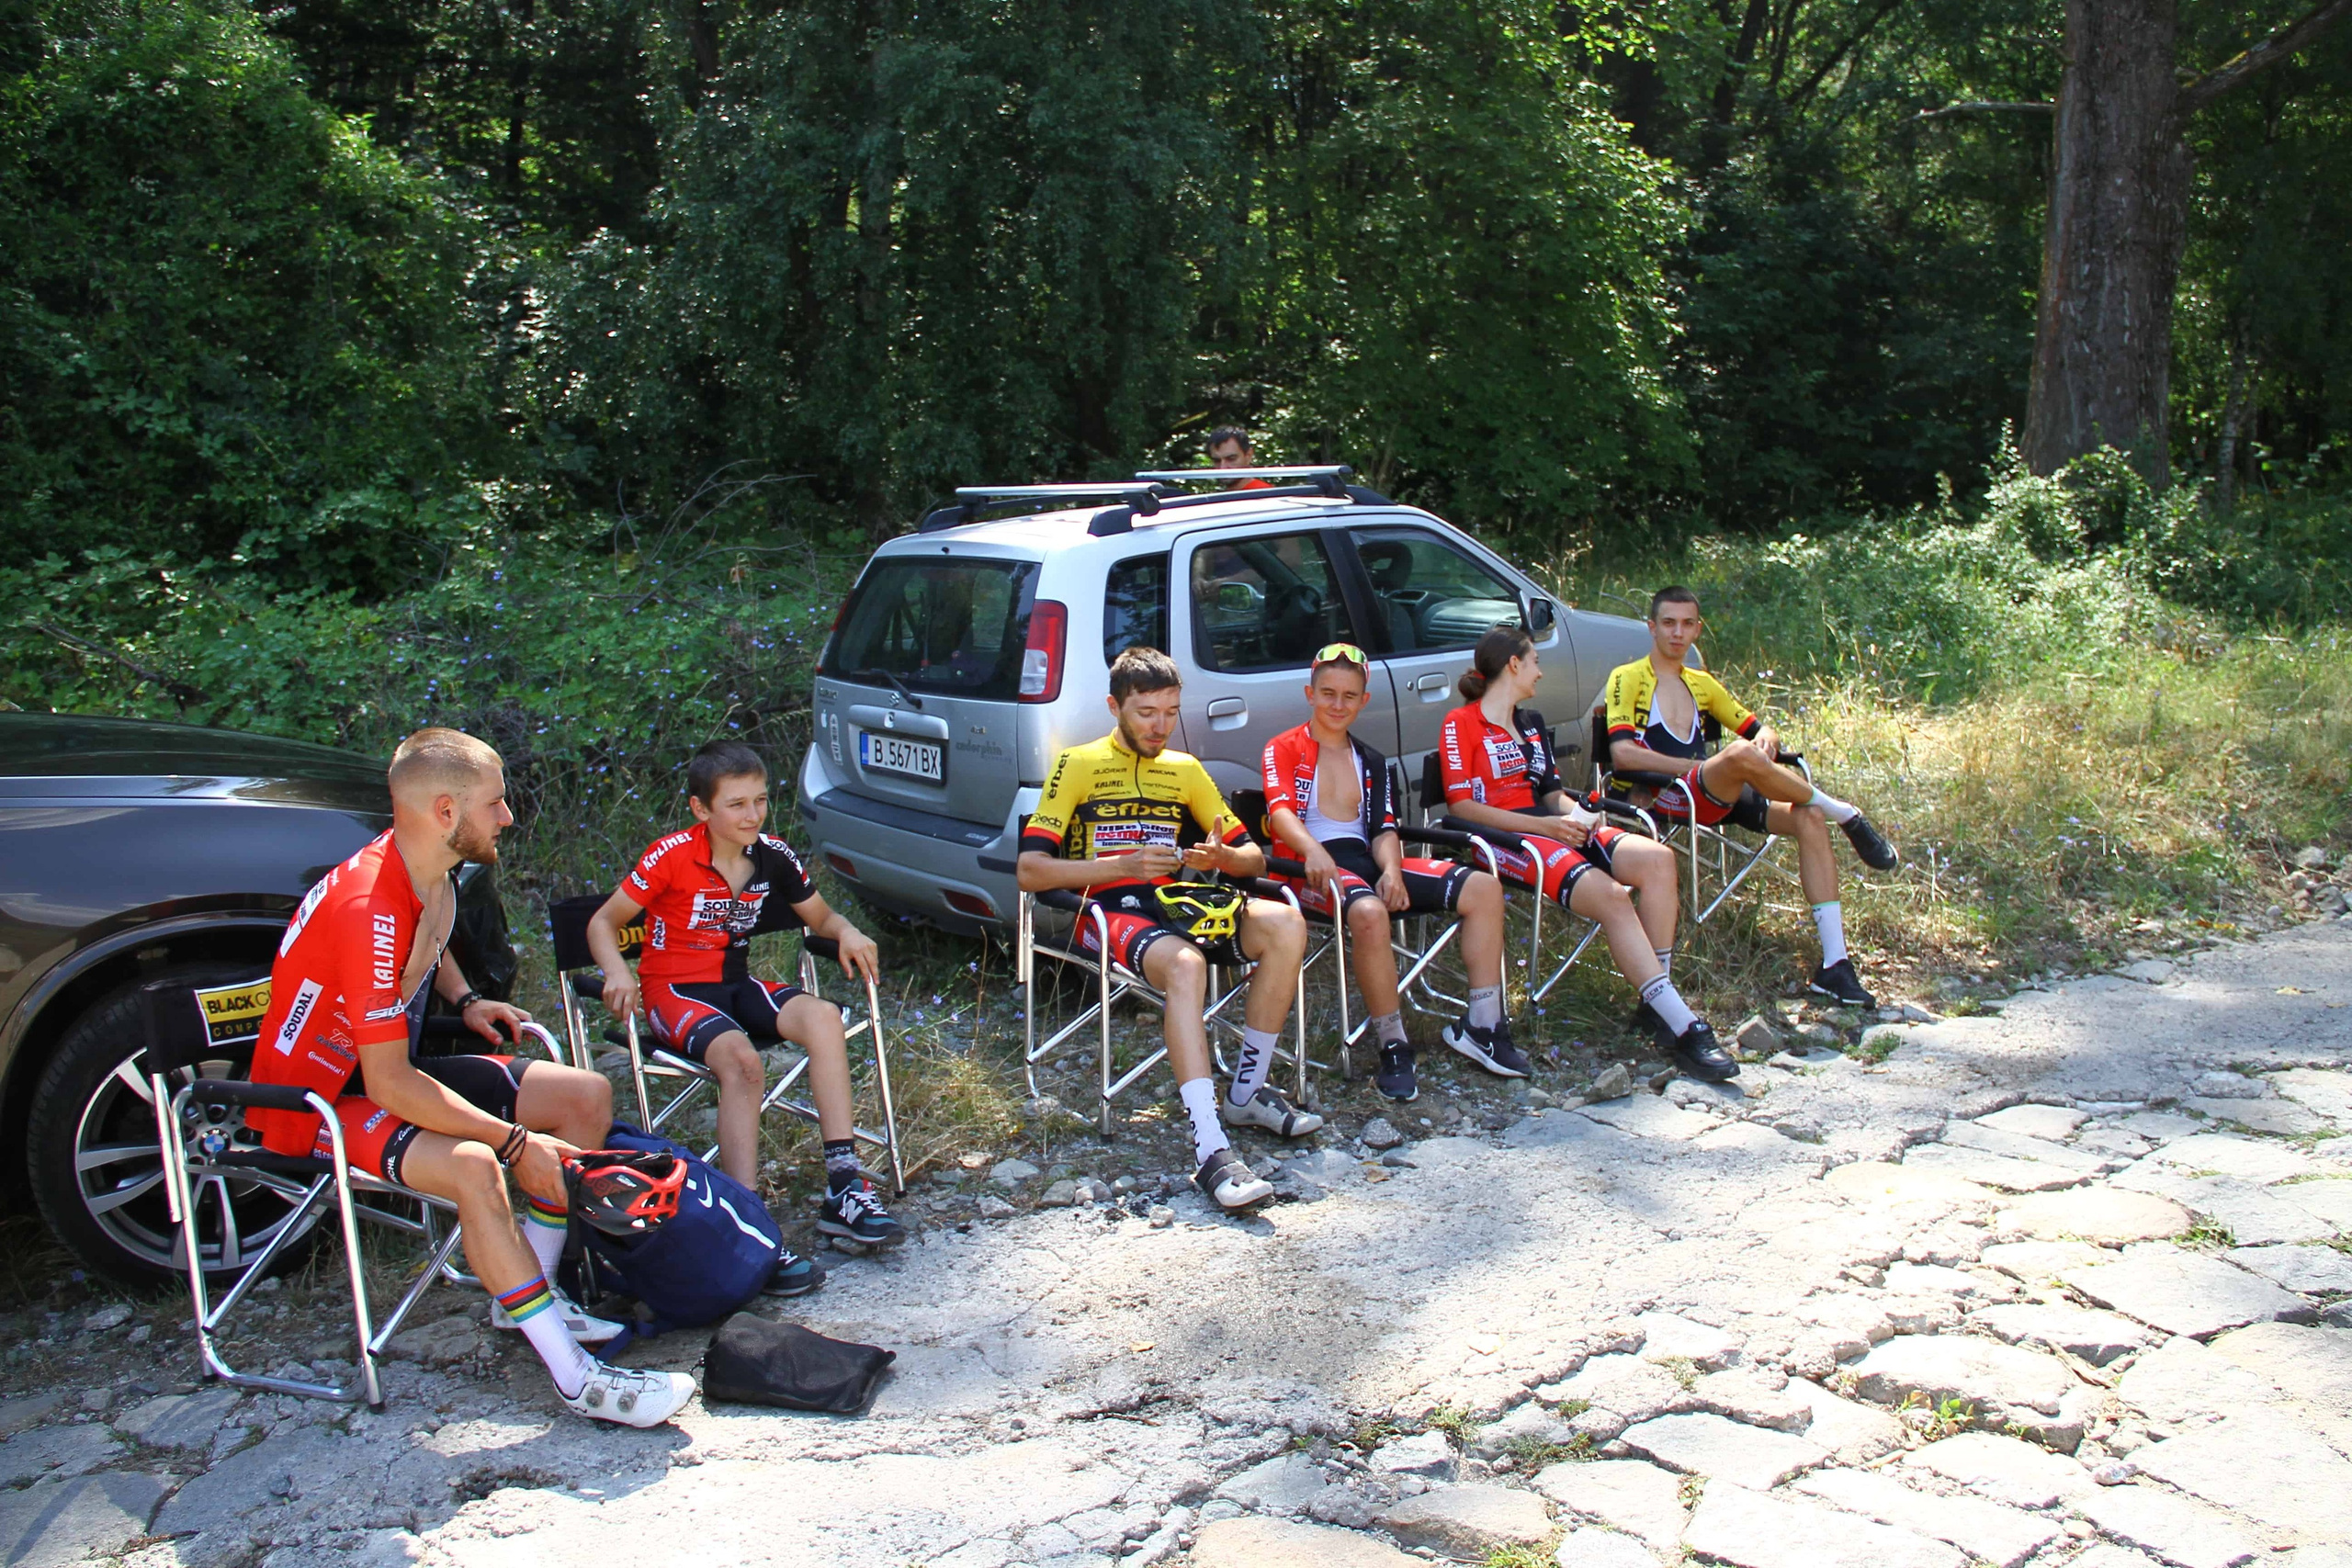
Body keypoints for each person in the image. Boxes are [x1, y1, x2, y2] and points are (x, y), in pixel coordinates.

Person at [248, 728, 696, 1427]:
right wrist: (517, 1143)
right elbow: (392, 1083)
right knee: (474, 1165)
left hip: (379, 1065)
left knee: (585, 1095)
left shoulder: (426, 862)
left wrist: (463, 1000)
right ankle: (577, 1378)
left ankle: (529, 1297)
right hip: (320, 1101)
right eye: (497, 803)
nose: (510, 816)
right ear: (447, 812)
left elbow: (428, 937)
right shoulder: (367, 907)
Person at [1017, 646, 1316, 1210]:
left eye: (1170, 712)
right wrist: (1119, 867)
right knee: (1186, 963)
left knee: (1284, 922)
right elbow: (1030, 870)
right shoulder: (1077, 764)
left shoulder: (1184, 770)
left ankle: (1246, 1093)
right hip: (1104, 912)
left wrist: (1218, 859)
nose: (1160, 726)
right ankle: (1211, 1150)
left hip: (1177, 903)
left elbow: (1253, 858)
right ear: (1114, 706)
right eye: (1145, 712)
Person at [587, 740, 901, 1252]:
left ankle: (845, 1186)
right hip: (673, 992)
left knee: (823, 1017)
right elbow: (604, 922)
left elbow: (820, 917)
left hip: (735, 984)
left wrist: (845, 931)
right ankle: (746, 1219)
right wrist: (616, 971)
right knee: (742, 1060)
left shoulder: (773, 855)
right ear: (701, 808)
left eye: (760, 800)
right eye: (736, 804)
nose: (752, 814)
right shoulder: (671, 855)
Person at [1440, 626, 1739, 1082]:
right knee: (1612, 896)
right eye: (1535, 661)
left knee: (1658, 860)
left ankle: (1655, 1004)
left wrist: (1580, 814)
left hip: (1553, 827)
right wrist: (1544, 826)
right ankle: (1684, 1026)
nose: (1541, 671)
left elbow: (1552, 794)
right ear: (1513, 665)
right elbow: (1462, 806)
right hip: (1503, 839)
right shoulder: (1460, 724)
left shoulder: (1531, 723)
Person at [1603, 587, 1898, 1008]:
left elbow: (1760, 729)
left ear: (1698, 629)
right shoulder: (1628, 677)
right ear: (1652, 627)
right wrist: (1709, 767)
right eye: (1668, 623)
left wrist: (1765, 741)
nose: (1677, 633)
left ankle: (1835, 966)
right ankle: (1844, 812)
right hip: (1666, 798)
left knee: (1806, 817)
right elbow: (1623, 755)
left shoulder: (1701, 683)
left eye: (1687, 624)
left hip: (1718, 792)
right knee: (1739, 757)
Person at [1260, 642, 1511, 1103]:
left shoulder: (1371, 760)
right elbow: (1280, 815)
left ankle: (1484, 1023)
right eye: (1329, 693)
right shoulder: (1284, 748)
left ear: (1364, 700)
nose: (1338, 704)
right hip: (1306, 868)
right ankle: (1394, 1044)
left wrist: (1393, 870)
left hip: (1364, 859)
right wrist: (1313, 851)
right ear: (1310, 694)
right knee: (1371, 913)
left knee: (1482, 887)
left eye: (1349, 696)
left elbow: (1384, 829)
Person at [1206, 425, 1272, 491]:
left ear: (1248, 455)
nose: (1222, 467)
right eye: (1217, 461)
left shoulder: (1264, 494)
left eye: (1231, 459)